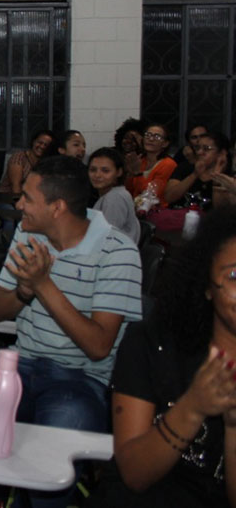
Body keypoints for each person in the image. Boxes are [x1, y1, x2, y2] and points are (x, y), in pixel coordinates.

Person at [0, 156, 144, 508]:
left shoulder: (118, 252)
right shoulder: (29, 234)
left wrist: (42, 285)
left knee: (46, 472)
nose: (18, 204)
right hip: (19, 369)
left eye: (27, 198)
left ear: (57, 207)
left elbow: (98, 346)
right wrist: (24, 291)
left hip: (81, 382)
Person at [86, 206, 236, 507]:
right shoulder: (152, 345)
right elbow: (134, 475)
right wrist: (192, 407)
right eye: (234, 275)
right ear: (207, 285)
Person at [163, 131, 233, 211]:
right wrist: (194, 174)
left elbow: (221, 210)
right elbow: (169, 198)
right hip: (177, 214)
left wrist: (217, 177)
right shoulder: (185, 167)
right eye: (197, 148)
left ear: (221, 153)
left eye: (206, 149)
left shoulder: (228, 177)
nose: (199, 152)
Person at [89, 147, 139, 245]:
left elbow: (106, 239)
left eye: (105, 171)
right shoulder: (114, 194)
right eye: (93, 170)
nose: (97, 175)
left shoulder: (114, 198)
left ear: (119, 172)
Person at [125, 123, 176, 205]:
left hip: (156, 208)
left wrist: (137, 173)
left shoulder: (168, 164)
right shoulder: (140, 160)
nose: (151, 139)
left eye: (157, 137)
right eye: (148, 135)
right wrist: (130, 174)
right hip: (135, 205)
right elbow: (129, 190)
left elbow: (153, 195)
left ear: (165, 143)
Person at [0, 129, 54, 194]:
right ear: (33, 142)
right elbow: (16, 186)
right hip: (8, 197)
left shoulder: (46, 161)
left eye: (46, 145)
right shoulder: (19, 158)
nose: (42, 146)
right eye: (40, 143)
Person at [114, 117, 147, 181]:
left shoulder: (147, 160)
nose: (128, 141)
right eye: (126, 138)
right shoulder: (113, 156)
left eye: (134, 139)